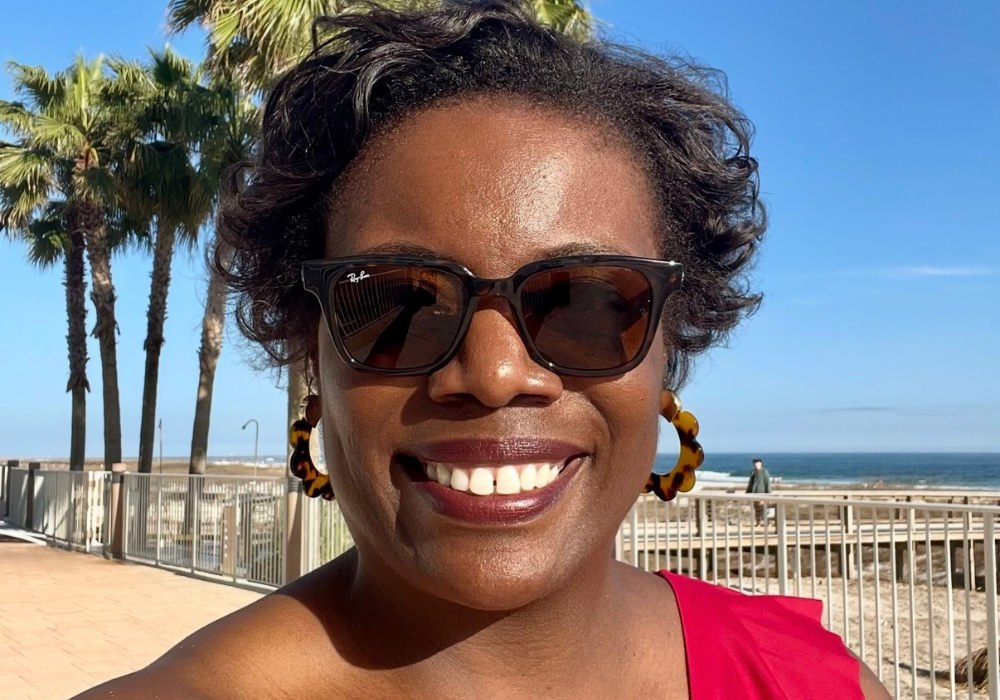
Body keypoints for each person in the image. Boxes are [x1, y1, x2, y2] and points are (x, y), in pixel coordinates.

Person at [75, 2, 889, 698]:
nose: (496, 375)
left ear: (667, 353)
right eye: (396, 302)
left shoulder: (805, 680)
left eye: (585, 304)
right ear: (309, 348)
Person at [746, 457, 773, 525]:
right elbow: (750, 483)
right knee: (756, 509)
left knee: (764, 508)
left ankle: (767, 522)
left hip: (762, 493)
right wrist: (747, 492)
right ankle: (758, 522)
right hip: (753, 493)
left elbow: (767, 483)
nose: (755, 464)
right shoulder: (753, 472)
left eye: (757, 463)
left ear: (760, 463)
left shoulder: (764, 472)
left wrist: (769, 493)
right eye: (754, 463)